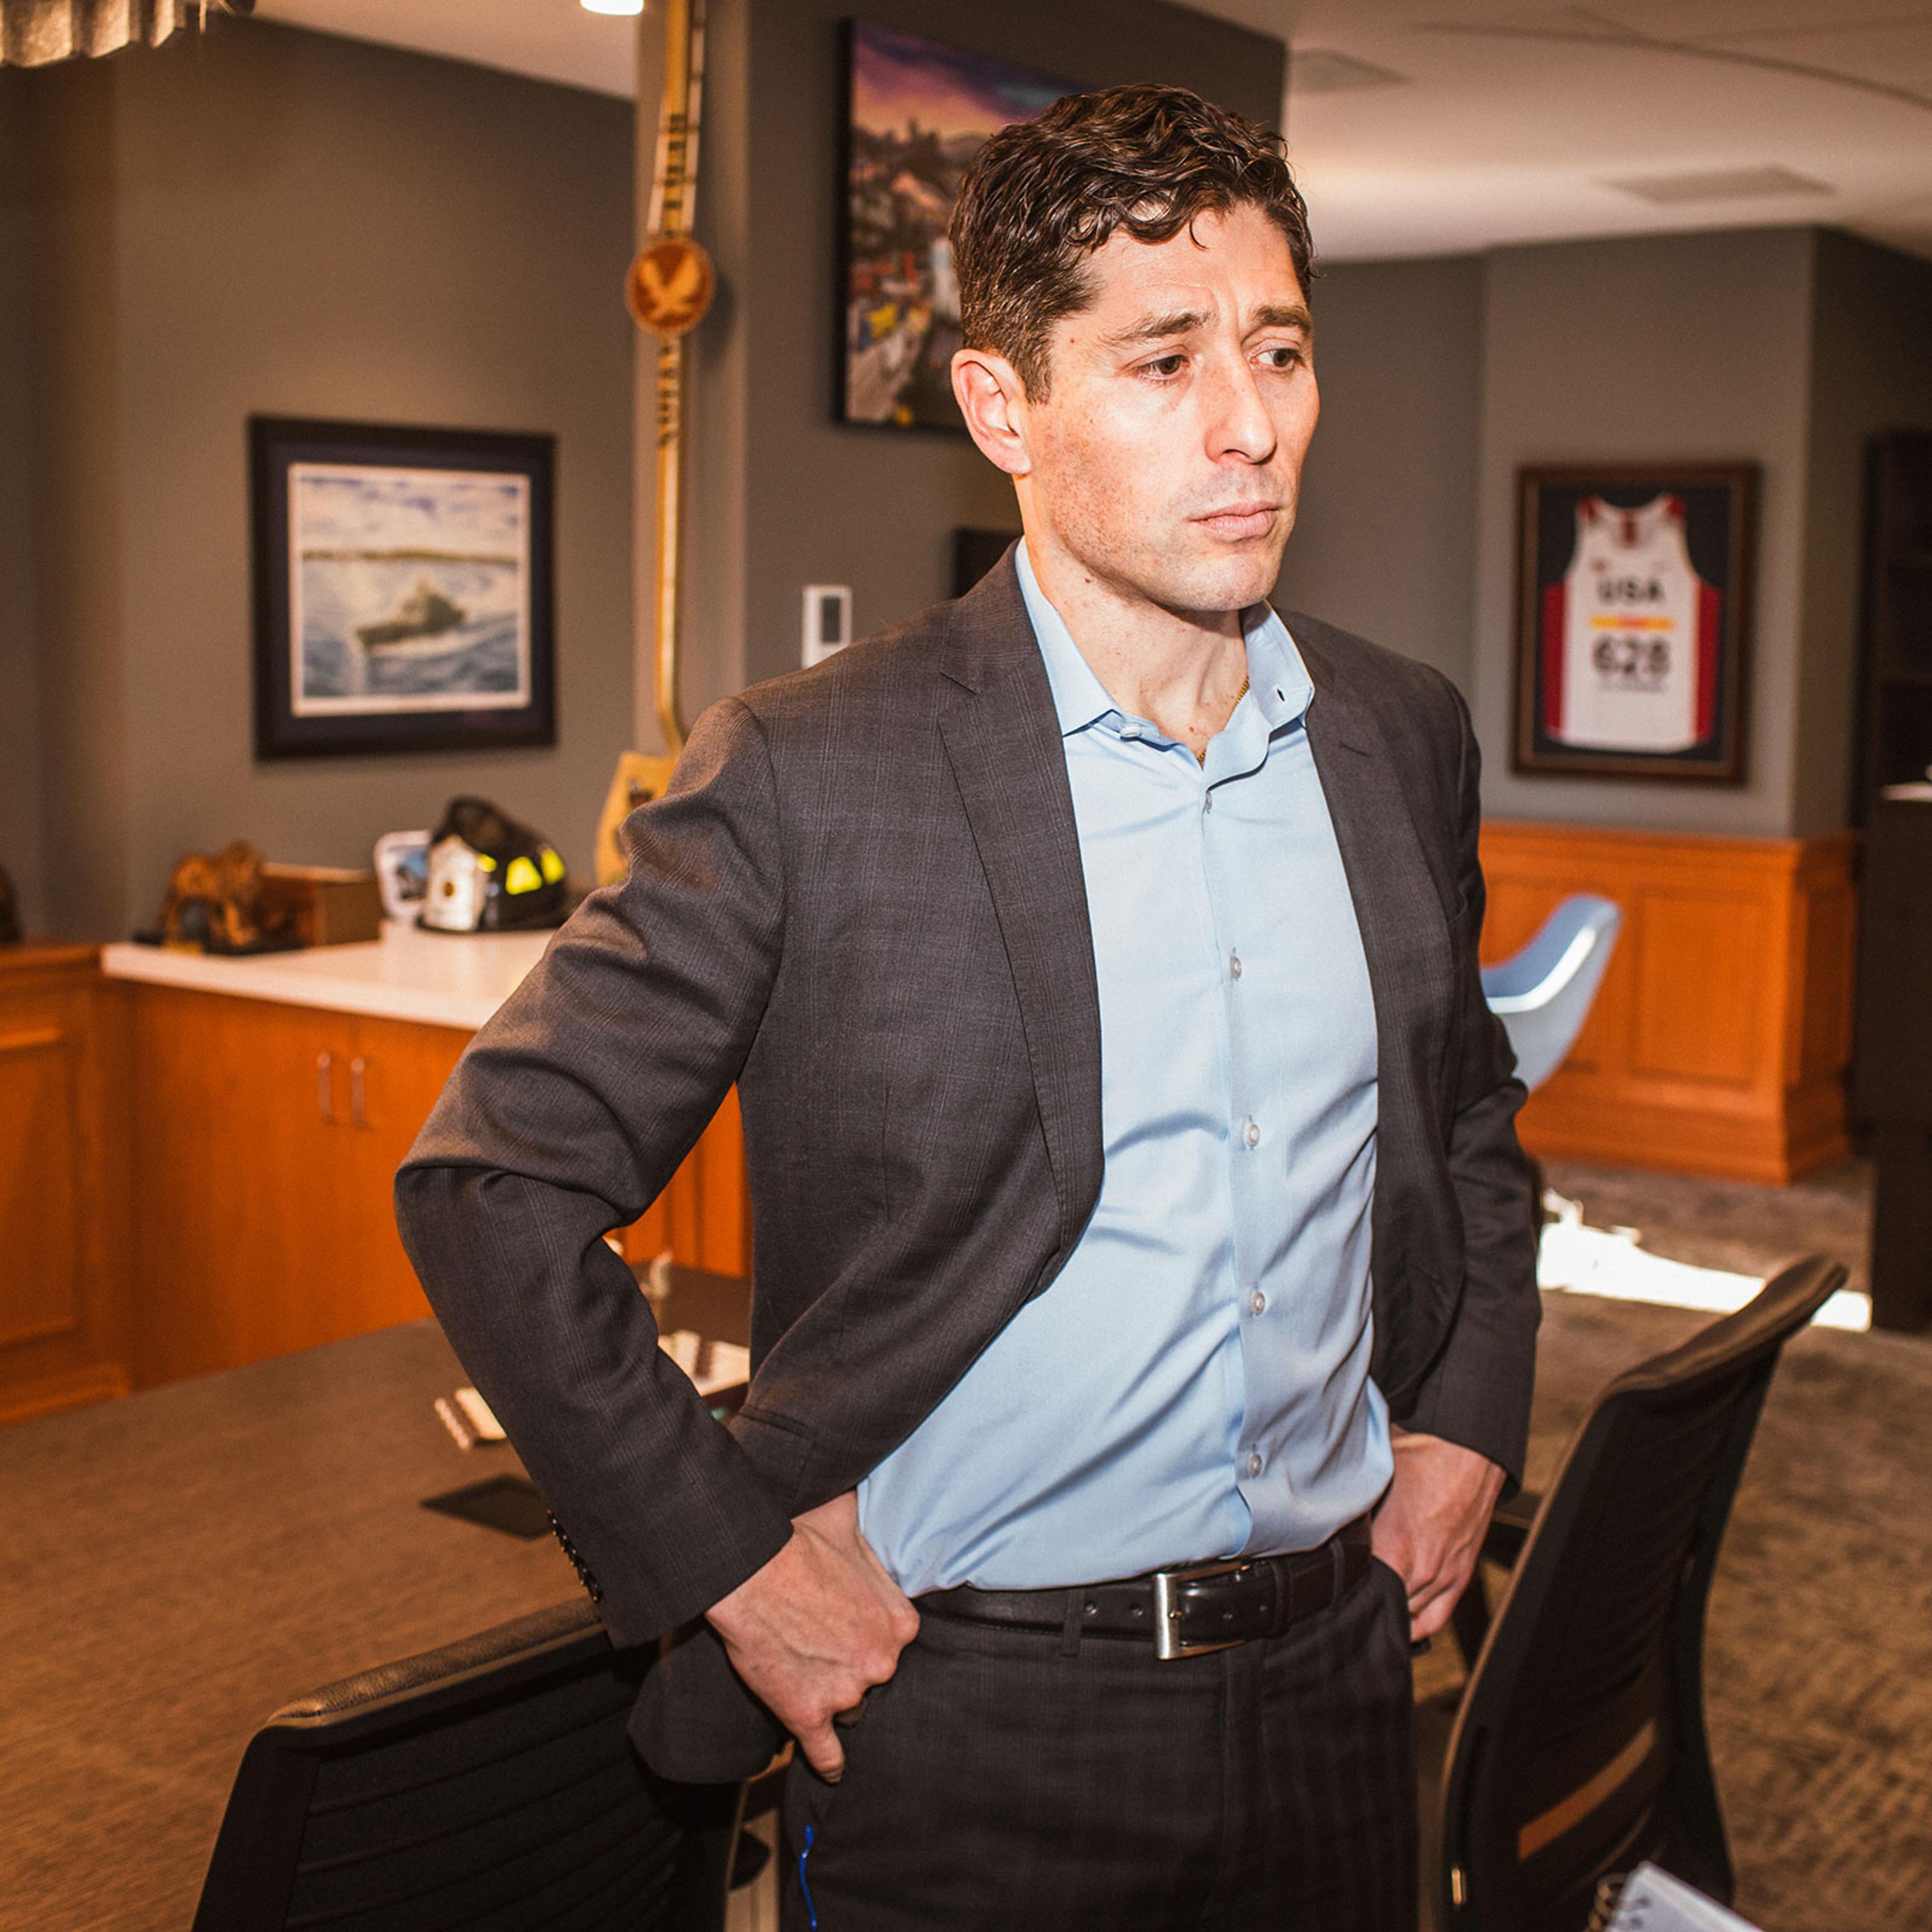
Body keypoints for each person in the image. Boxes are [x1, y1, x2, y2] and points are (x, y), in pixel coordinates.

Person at [396, 82, 1539, 1932]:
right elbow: (491, 1184)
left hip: (1342, 1687)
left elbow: (1465, 1115)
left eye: (1279, 349)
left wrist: (1472, 1417)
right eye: (1164, 362)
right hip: (971, 1712)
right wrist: (735, 1566)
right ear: (1005, 409)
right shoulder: (808, 769)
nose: (1252, 426)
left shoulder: (1398, 735)